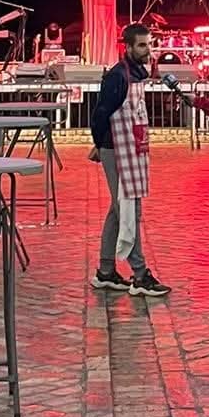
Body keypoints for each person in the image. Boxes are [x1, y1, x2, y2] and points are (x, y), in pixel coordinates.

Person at [90, 22, 170, 298]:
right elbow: (101, 114)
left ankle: (105, 271)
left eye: (149, 44)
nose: (148, 50)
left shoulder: (137, 73)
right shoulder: (117, 76)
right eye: (142, 45)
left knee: (118, 210)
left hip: (130, 148)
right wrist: (99, 144)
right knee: (128, 211)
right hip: (117, 149)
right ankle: (140, 274)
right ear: (128, 47)